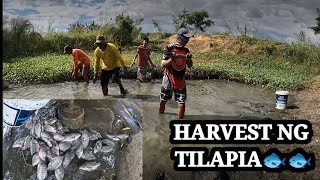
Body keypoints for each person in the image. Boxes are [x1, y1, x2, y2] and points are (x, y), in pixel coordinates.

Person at [159, 28, 193, 119]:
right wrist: (172, 59)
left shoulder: (186, 50)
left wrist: (189, 59)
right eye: (186, 38)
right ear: (179, 38)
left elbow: (190, 65)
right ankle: (160, 117)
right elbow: (163, 65)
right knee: (163, 101)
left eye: (188, 38)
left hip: (180, 81)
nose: (188, 40)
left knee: (182, 104)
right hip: (168, 80)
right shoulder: (169, 48)